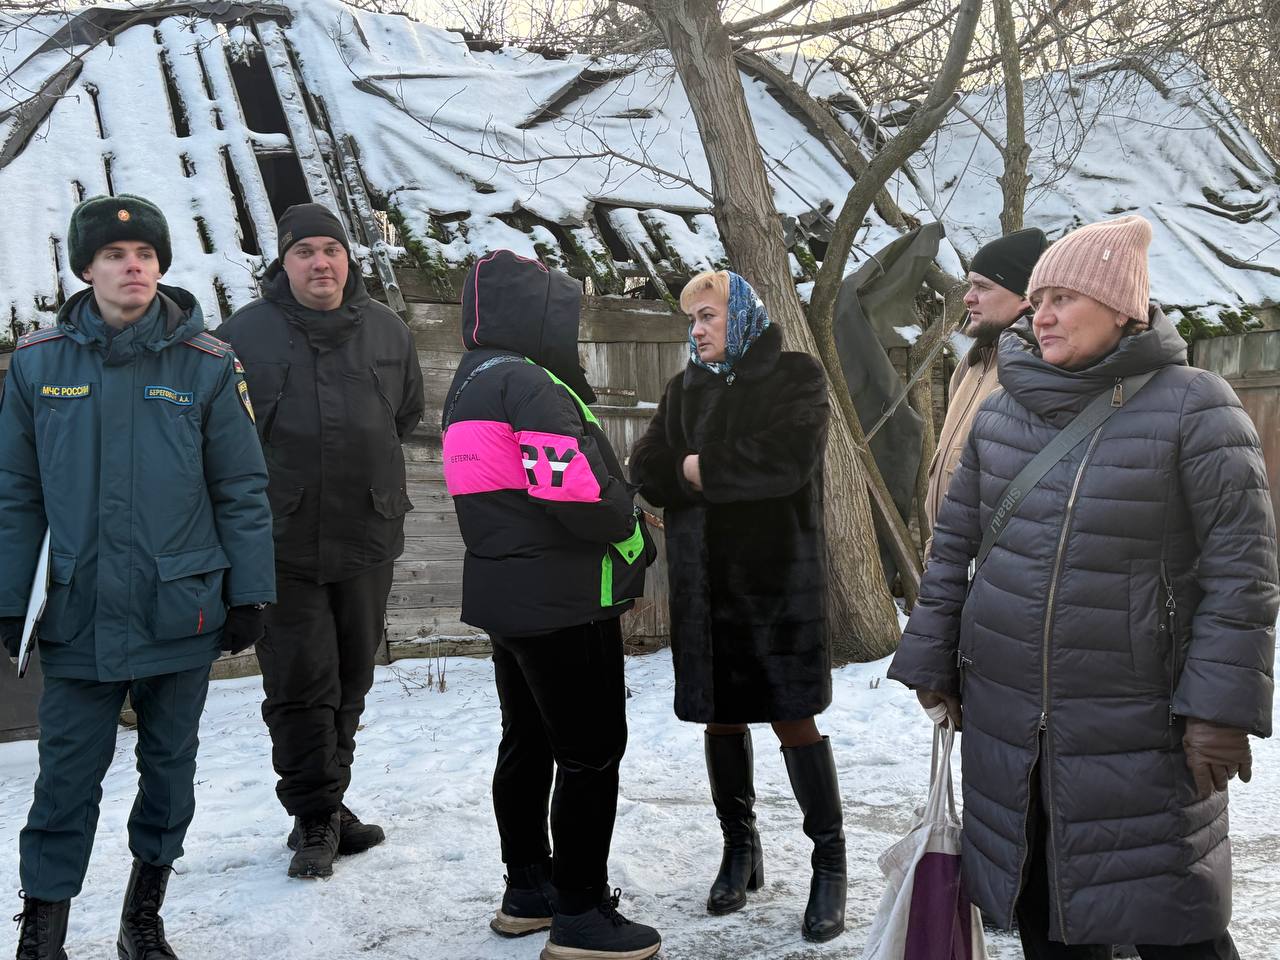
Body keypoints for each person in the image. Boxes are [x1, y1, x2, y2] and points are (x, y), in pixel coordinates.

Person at [889, 215, 1278, 960]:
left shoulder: (1196, 407)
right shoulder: (1003, 412)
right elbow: (953, 551)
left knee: (1171, 917)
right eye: (1040, 299)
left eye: (1065, 297)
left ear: (1124, 310)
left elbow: (1243, 573)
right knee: (1046, 922)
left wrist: (1218, 710)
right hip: (1010, 723)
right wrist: (932, 660)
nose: (1044, 314)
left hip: (1138, 726)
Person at [0, 194, 275, 960]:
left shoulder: (208, 365)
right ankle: (42, 935)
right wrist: (7, 595)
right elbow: (14, 493)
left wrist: (249, 592)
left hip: (178, 609)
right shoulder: (38, 362)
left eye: (147, 256)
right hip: (77, 610)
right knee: (63, 784)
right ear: (86, 269)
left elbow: (242, 489)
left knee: (168, 776)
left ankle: (143, 919)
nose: (134, 267)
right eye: (117, 256)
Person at [441, 249, 660, 960]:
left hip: (507, 593)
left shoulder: (468, 382)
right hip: (564, 600)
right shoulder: (528, 384)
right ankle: (582, 914)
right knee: (592, 753)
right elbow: (577, 492)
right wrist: (632, 539)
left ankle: (528, 888)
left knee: (527, 740)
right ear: (537, 316)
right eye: (564, 313)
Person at [629, 270, 845, 942]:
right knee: (719, 721)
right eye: (691, 319)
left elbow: (785, 462)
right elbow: (645, 467)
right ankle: (739, 848)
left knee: (793, 720)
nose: (696, 330)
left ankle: (829, 863)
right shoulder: (684, 386)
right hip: (704, 592)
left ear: (742, 314)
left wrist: (696, 471)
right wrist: (694, 472)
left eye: (709, 316)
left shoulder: (795, 376)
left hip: (776, 588)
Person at [215, 203, 424, 880]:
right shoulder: (243, 336)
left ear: (348, 259)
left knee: (353, 678)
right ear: (284, 263)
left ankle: (330, 805)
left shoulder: (389, 331)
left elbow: (407, 412)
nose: (320, 263)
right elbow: (216, 437)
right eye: (304, 251)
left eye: (330, 249)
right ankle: (312, 819)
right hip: (281, 540)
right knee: (302, 684)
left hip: (367, 530)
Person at [924, 227, 1048, 544]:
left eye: (983, 286)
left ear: (1025, 297)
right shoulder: (972, 363)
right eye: (970, 285)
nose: (968, 297)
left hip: (990, 567)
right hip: (949, 557)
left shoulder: (1035, 370)